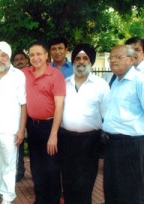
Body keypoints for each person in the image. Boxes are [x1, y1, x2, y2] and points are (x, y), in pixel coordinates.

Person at [59, 44, 110, 204]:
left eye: (85, 58)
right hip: (66, 140)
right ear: (73, 61)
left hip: (90, 141)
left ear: (91, 61)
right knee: (68, 179)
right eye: (77, 58)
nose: (81, 62)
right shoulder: (64, 83)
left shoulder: (101, 85)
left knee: (85, 181)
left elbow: (106, 114)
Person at [22, 41, 65, 204]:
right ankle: (40, 200)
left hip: (50, 126)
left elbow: (59, 106)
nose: (35, 57)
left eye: (39, 54)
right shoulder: (24, 73)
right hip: (32, 126)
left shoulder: (56, 75)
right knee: (36, 167)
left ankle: (53, 200)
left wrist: (53, 134)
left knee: (51, 168)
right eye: (32, 54)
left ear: (46, 55)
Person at [102, 45, 144, 204]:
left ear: (132, 60)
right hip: (112, 145)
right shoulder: (116, 82)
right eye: (111, 57)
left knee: (131, 192)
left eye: (118, 57)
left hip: (131, 146)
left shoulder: (139, 81)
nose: (113, 61)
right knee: (113, 191)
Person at [0, 41, 27, 204]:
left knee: (9, 163)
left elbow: (23, 104)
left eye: (3, 55)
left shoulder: (18, 75)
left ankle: (8, 194)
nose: (0, 59)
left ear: (8, 57)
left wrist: (21, 130)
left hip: (10, 127)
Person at [12, 49, 29, 182]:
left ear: (27, 61)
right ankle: (19, 170)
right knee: (18, 142)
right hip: (19, 115)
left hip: (34, 116)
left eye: (21, 59)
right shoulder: (12, 76)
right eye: (16, 60)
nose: (19, 61)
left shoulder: (32, 73)